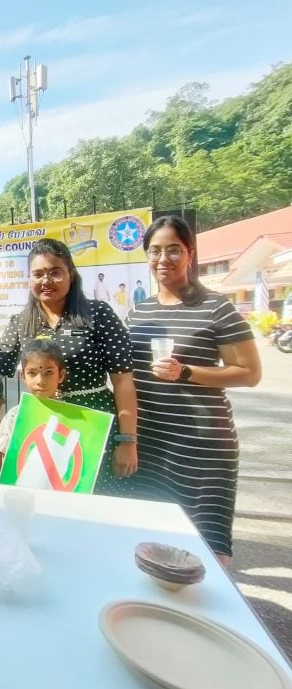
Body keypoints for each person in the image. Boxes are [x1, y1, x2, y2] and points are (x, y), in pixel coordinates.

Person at [126, 215, 261, 565]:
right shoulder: (139, 310)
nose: (163, 259)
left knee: (204, 550)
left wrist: (186, 372)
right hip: (151, 441)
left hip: (201, 446)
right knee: (152, 542)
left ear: (190, 253)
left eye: (173, 250)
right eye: (154, 251)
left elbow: (249, 373)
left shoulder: (216, 307)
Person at [0, 239, 138, 494]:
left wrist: (127, 440)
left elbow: (123, 381)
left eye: (55, 272)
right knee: (44, 503)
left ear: (71, 274)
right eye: (38, 274)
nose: (46, 280)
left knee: (92, 502)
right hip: (41, 427)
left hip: (92, 425)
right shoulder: (21, 322)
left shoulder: (97, 314)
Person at [0, 339, 66, 458]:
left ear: (60, 376)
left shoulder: (71, 417)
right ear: (22, 376)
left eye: (49, 372)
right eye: (32, 373)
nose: (40, 381)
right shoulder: (15, 416)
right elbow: (7, 460)